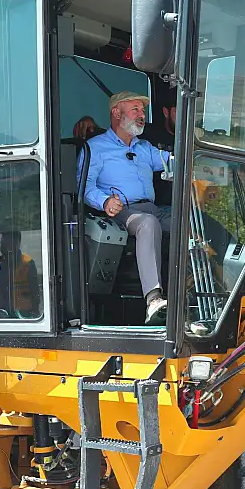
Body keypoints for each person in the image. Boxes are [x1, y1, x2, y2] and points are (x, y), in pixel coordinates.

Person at [83, 91, 172, 324]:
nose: (142, 115)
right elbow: (85, 187)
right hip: (122, 212)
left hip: (152, 208)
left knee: (189, 220)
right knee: (148, 223)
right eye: (136, 110)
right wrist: (104, 201)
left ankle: (206, 294)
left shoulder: (144, 147)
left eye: (142, 111)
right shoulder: (95, 147)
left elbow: (170, 161)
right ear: (116, 113)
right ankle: (153, 300)